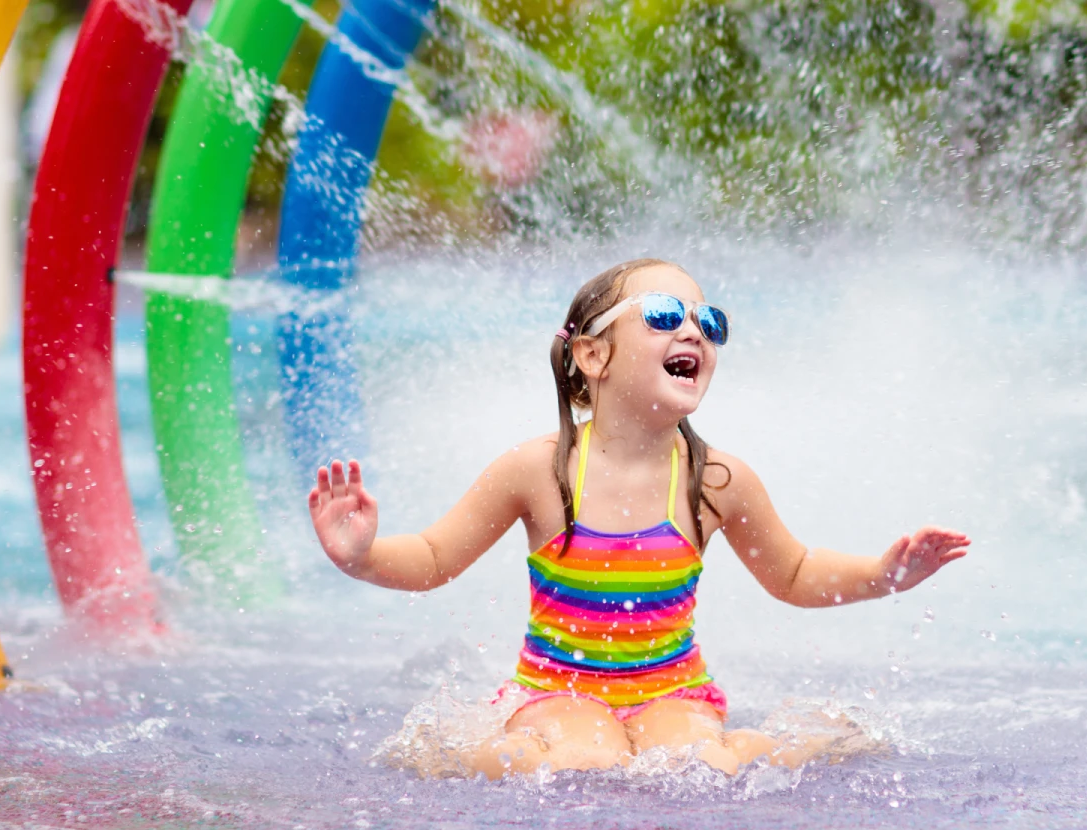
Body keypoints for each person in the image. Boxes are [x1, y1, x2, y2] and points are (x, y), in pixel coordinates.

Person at [308, 258, 970, 778]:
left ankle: (771, 746)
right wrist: (362, 557)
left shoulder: (716, 481)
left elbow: (794, 573)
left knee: (698, 767)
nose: (692, 331)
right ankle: (455, 754)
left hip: (673, 690)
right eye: (661, 314)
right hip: (559, 688)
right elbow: (432, 558)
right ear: (593, 357)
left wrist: (885, 574)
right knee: (585, 764)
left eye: (709, 323)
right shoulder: (538, 472)